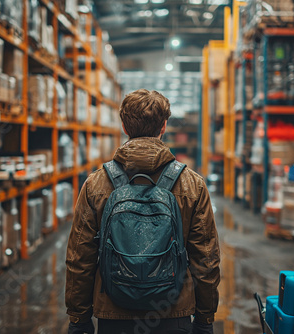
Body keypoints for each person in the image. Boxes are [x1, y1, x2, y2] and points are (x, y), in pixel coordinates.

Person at [65, 89, 220, 334]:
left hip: (113, 313)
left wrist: (78, 317)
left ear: (125, 127)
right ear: (164, 127)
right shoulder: (192, 184)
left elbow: (80, 258)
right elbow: (206, 259)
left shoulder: (96, 184)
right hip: (172, 311)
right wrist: (204, 318)